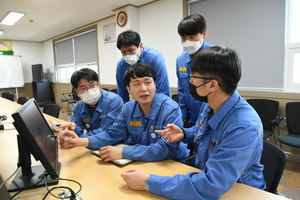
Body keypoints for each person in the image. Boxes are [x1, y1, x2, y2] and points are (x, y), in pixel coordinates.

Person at [121, 46, 266, 200]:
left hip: (240, 191)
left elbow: (212, 184)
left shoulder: (243, 126)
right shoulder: (210, 103)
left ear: (212, 85)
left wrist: (148, 182)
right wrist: (184, 133)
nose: (190, 81)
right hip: (204, 178)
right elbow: (202, 132)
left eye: (194, 77)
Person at [59, 63, 189, 162]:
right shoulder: (128, 108)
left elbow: (166, 149)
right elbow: (113, 133)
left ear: (155, 84)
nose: (144, 89)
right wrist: (81, 141)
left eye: (148, 82)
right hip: (141, 160)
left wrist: (124, 152)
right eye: (137, 84)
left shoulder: (170, 108)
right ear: (129, 89)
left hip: (172, 162)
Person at [59, 68, 124, 138]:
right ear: (77, 92)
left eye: (92, 85)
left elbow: (108, 129)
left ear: (98, 85)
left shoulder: (113, 101)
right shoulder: (77, 107)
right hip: (93, 143)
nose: (89, 90)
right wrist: (72, 129)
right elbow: (77, 130)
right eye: (83, 88)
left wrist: (82, 140)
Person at [176, 14, 213, 127]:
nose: (187, 41)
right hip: (190, 118)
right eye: (183, 38)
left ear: (204, 34)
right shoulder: (181, 59)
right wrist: (183, 114)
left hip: (211, 117)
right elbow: (182, 90)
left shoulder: (215, 56)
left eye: (192, 37)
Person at [116, 30, 171, 103]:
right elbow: (122, 93)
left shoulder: (154, 57)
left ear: (140, 46)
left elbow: (162, 89)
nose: (127, 54)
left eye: (131, 50)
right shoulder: (121, 65)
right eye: (124, 52)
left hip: (157, 101)